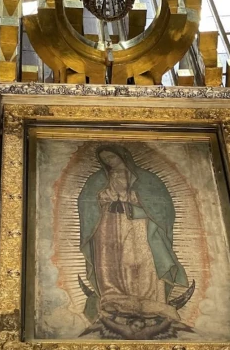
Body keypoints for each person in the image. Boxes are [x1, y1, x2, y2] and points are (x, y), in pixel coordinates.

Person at [77, 145, 190, 339]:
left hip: (138, 225)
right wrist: (102, 198)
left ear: (123, 156)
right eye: (105, 159)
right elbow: (86, 203)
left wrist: (134, 200)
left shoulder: (146, 179)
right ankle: (114, 296)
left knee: (141, 259)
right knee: (111, 261)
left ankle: (149, 299)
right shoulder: (97, 180)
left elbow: (162, 206)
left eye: (112, 157)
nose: (109, 162)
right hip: (108, 225)